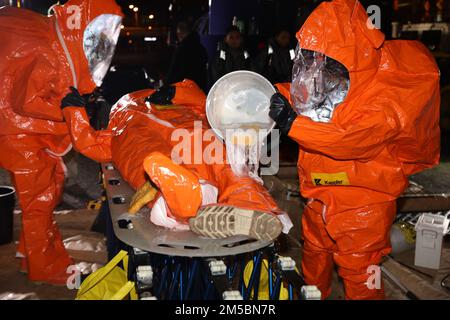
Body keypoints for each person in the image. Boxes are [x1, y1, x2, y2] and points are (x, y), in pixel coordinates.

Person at [269, 0, 440, 299]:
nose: (312, 68)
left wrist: (293, 125)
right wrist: (263, 94)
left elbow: (349, 139)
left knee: (362, 272)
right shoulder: (334, 77)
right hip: (322, 192)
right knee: (314, 254)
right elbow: (301, 97)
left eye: (319, 58)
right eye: (309, 58)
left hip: (364, 203)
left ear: (347, 56)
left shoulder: (385, 100)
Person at [0, 0, 123, 285]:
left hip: (24, 135)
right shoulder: (47, 51)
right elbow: (26, 101)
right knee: (40, 201)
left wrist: (74, 104)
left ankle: (31, 253)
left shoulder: (54, 45)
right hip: (22, 136)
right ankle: (45, 267)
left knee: (44, 196)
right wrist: (70, 110)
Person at [107, 80, 290, 240]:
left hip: (192, 135)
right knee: (154, 164)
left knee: (229, 162)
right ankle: (241, 201)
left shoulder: (162, 101)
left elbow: (206, 101)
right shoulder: (124, 119)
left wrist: (176, 92)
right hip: (169, 141)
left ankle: (201, 201)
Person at [165, 21, 208, 91]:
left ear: (180, 33)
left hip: (184, 90)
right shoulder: (201, 48)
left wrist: (166, 86)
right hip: (199, 89)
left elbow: (174, 72)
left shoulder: (182, 49)